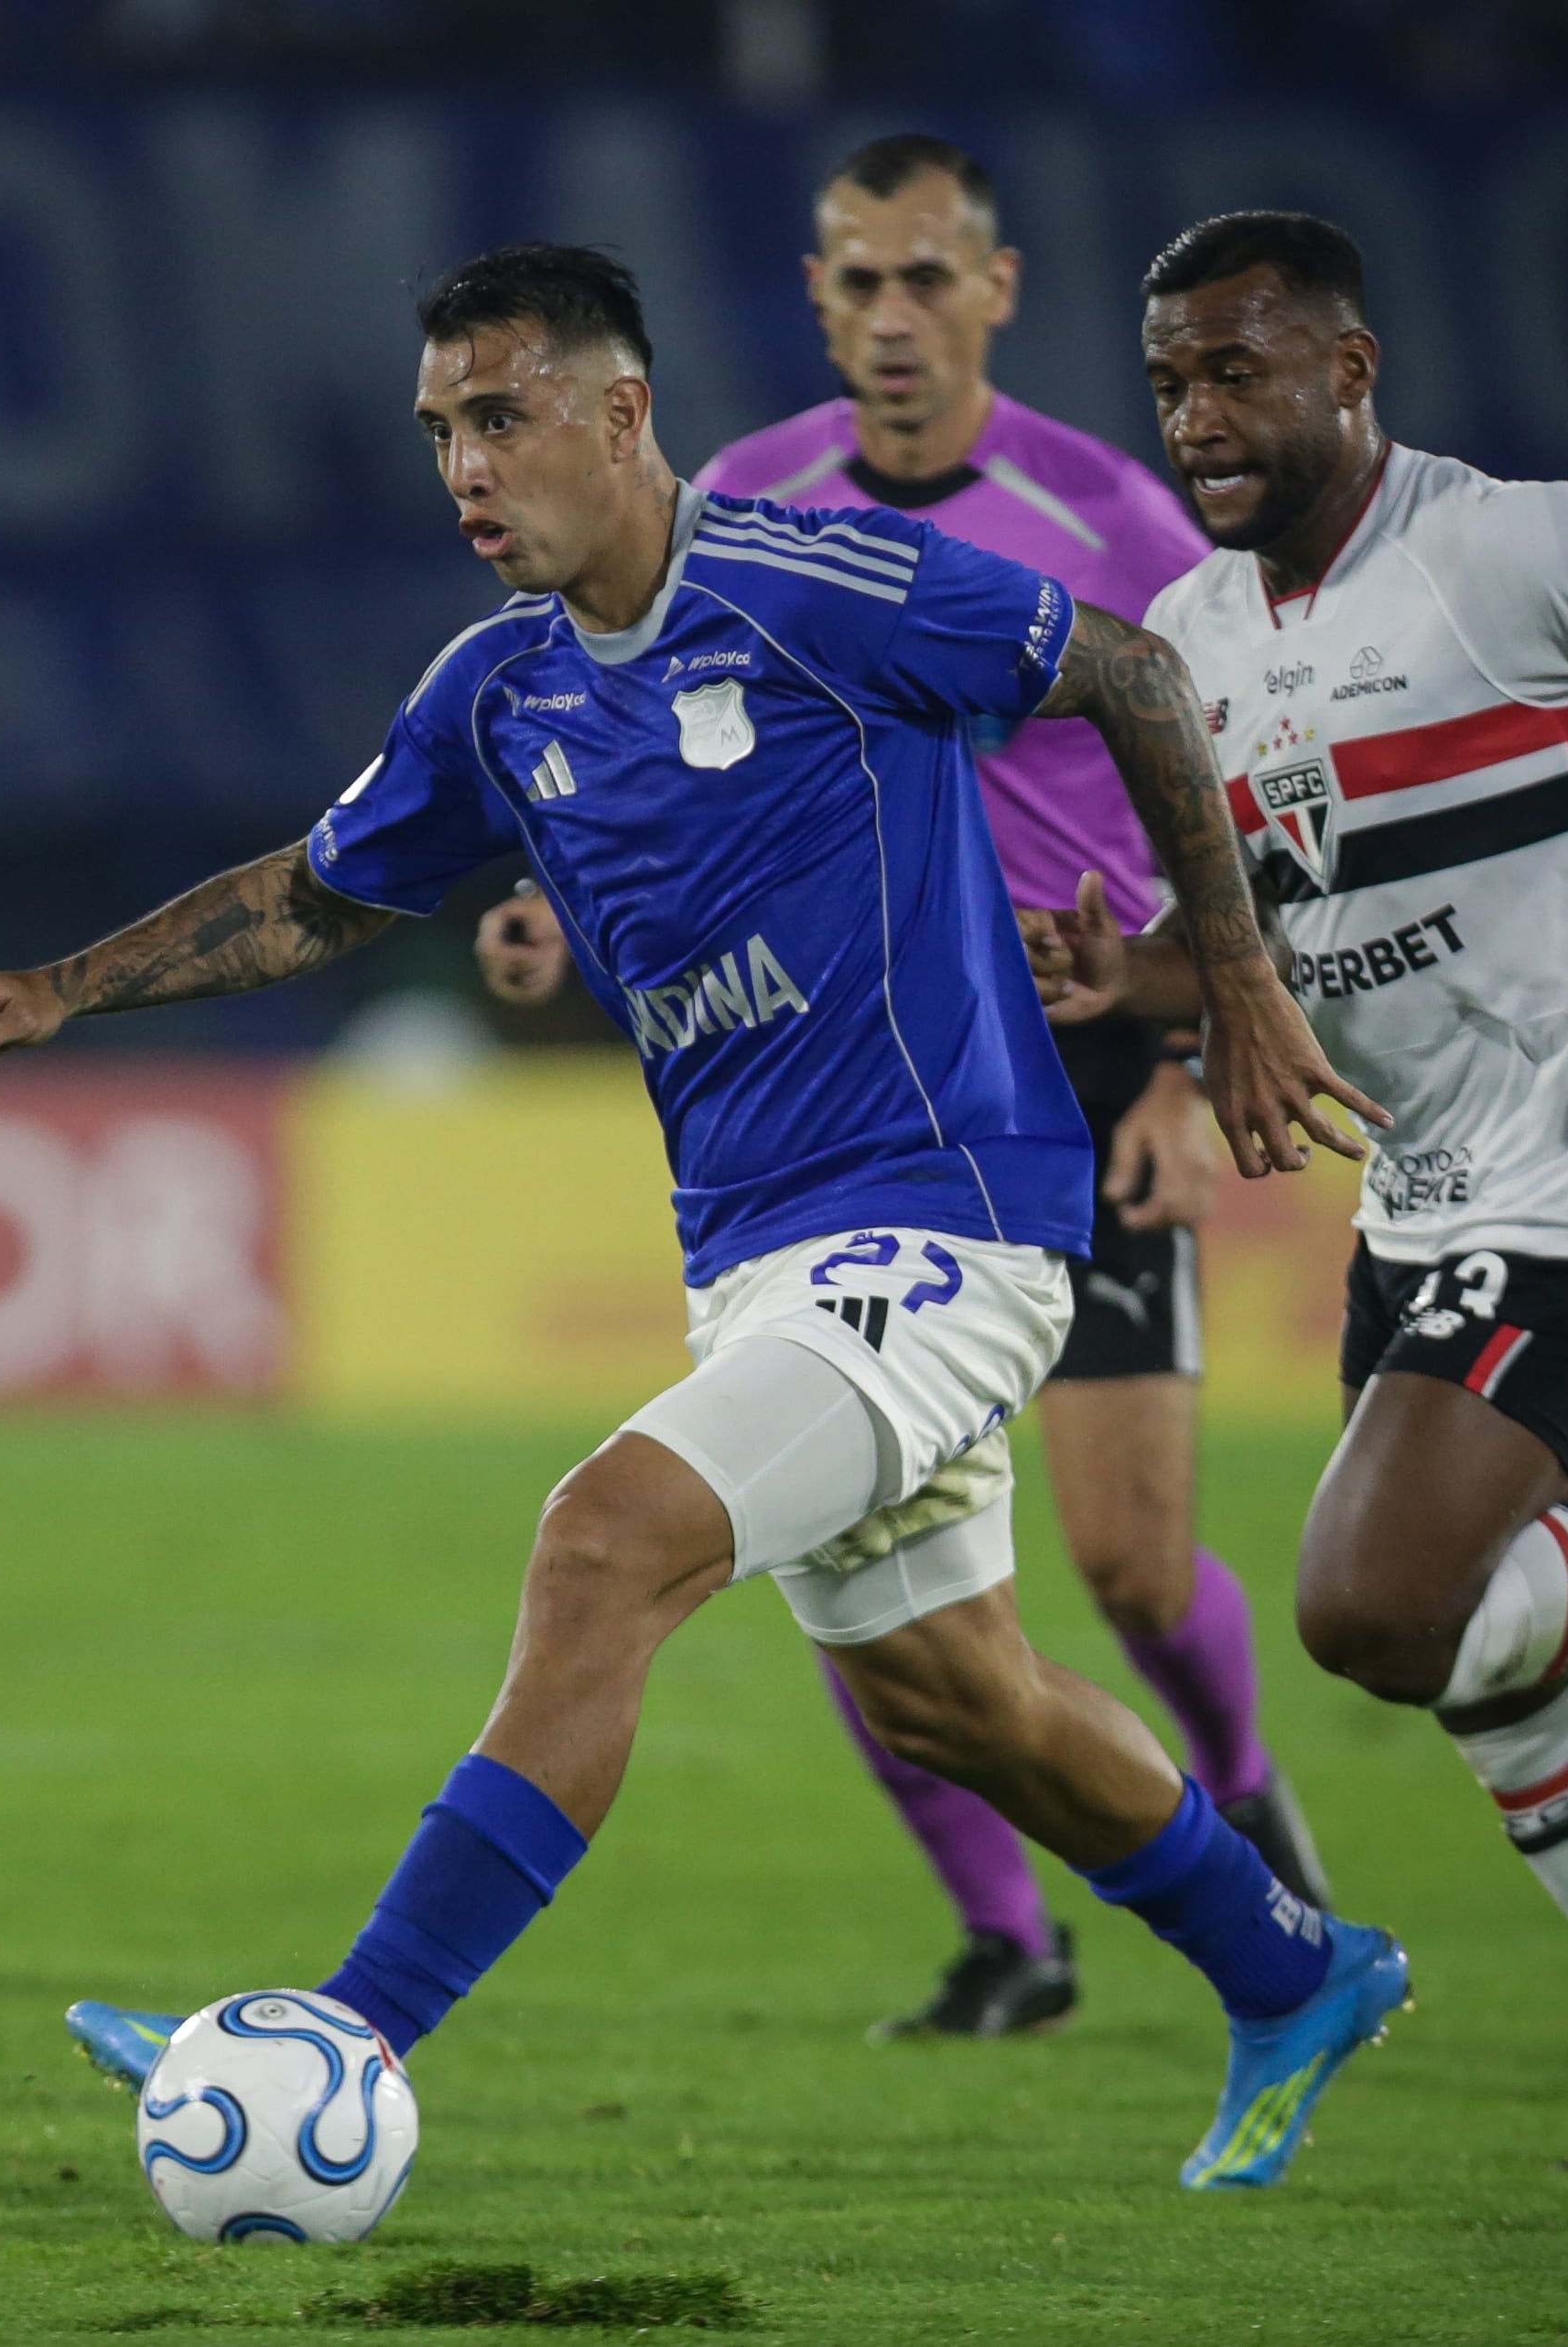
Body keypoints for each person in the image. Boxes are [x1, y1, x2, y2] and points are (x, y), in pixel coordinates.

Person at [0, 242, 1410, 2190]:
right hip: (763, 1259)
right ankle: (1294, 1966)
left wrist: (1238, 983)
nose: (465, 464)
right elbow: (324, 889)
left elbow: (1130, 670)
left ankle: (336, 2041)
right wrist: (63, 988)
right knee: (957, 1698)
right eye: (439, 430)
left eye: (502, 415)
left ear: (621, 414)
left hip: (951, 1218)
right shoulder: (499, 689)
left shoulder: (815, 587)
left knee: (606, 1541)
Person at [1037, 210, 1568, 2169]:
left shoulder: (1504, 546)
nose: (1196, 417)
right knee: (1515, 1659)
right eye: (1170, 382)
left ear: (1349, 370)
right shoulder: (1190, 635)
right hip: (1424, 1196)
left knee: (1374, 1606)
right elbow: (1274, 915)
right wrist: (1146, 977)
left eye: (1236, 371)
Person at [478, 131, 1325, 2045]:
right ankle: (1009, 1936)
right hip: (860, 1061)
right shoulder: (743, 495)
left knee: (1125, 1557)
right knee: (858, 1551)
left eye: (926, 276)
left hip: (1087, 1048)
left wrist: (1189, 1056)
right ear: (815, 296)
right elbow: (641, 725)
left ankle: (1250, 1817)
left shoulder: (1109, 515)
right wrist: (553, 893)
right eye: (856, 279)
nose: (890, 315)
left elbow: (1238, 772)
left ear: (996, 291)